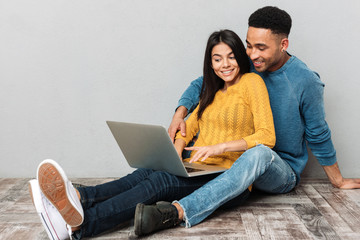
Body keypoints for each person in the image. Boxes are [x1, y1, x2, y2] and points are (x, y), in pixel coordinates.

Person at [134, 6, 360, 236]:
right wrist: (179, 114)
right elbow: (202, 84)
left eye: (261, 47)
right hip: (237, 165)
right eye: (249, 45)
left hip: (280, 170)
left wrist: (338, 181)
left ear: (283, 45)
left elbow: (318, 133)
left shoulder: (306, 81)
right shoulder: (249, 64)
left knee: (259, 152)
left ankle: (178, 212)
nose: (252, 54)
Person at [29, 29, 275, 239]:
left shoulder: (252, 83)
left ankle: (81, 224)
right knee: (147, 172)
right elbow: (189, 127)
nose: (225, 65)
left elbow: (267, 137)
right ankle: (80, 197)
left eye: (231, 57)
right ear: (210, 63)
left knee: (161, 182)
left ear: (240, 57)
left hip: (229, 176)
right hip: (200, 167)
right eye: (218, 59)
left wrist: (221, 147)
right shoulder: (213, 92)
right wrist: (176, 152)